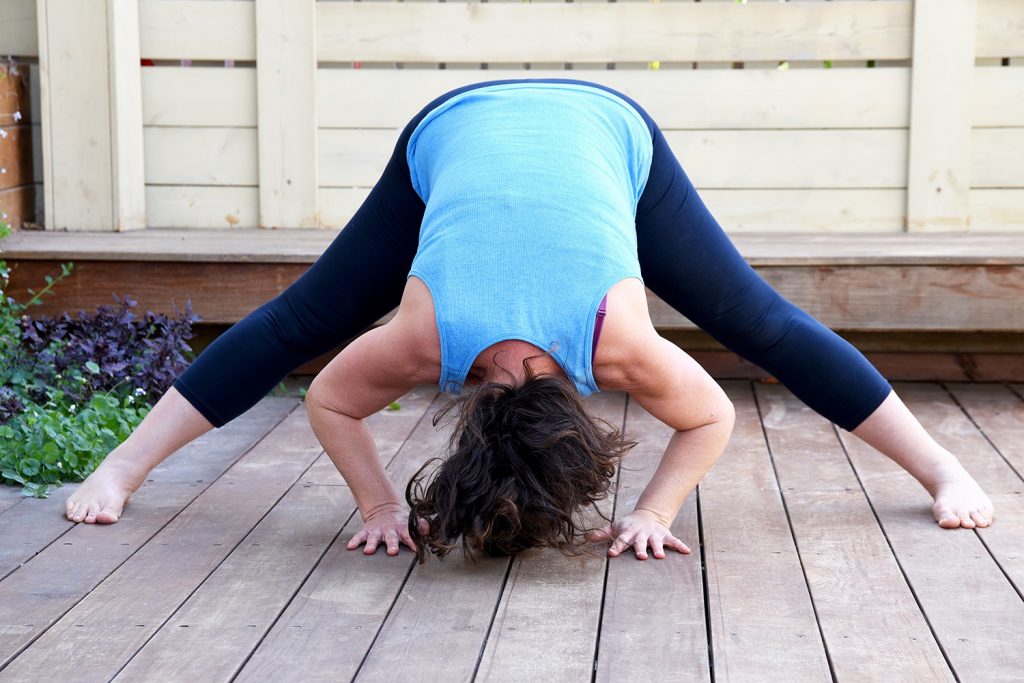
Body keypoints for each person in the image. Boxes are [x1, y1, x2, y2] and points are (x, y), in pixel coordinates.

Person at [64, 79, 994, 562]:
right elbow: (712, 415)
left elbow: (715, 416)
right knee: (303, 314)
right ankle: (123, 466)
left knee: (758, 318)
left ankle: (942, 465)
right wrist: (383, 504)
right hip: (456, 130)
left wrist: (654, 507)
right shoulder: (438, 340)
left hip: (603, 134)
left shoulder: (594, 343)